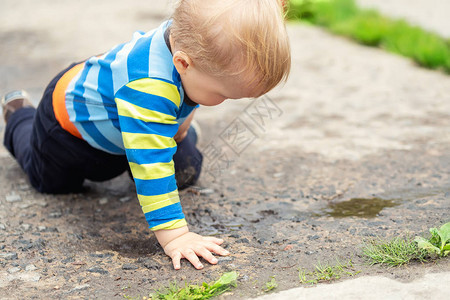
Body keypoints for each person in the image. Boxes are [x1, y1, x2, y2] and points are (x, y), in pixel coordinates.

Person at [1, 0, 291, 270]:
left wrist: (179, 123)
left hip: (131, 120)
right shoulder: (148, 87)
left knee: (186, 171)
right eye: (224, 96)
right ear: (183, 64)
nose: (224, 102)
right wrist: (176, 236)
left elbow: (194, 93)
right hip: (69, 129)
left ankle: (157, 133)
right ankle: (20, 115)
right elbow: (151, 165)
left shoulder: (191, 41)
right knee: (54, 183)